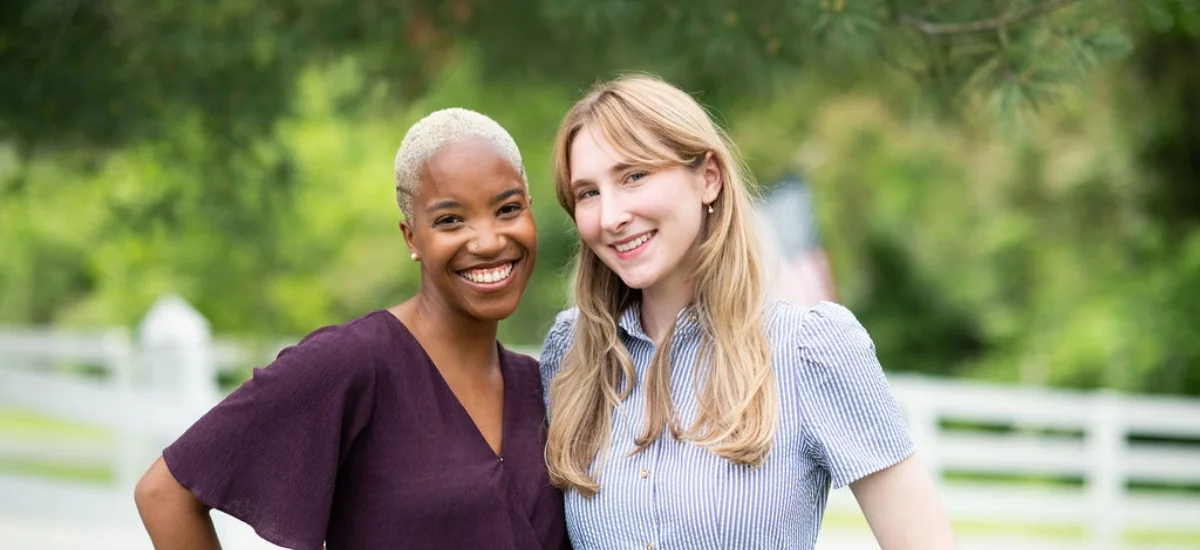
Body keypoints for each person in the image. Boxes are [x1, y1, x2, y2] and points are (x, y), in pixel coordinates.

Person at [539, 75, 956, 549]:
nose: (611, 216)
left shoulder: (810, 350)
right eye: (588, 193)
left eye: (633, 176)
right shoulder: (570, 355)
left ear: (708, 179)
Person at [133, 108, 569, 550]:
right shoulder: (352, 363)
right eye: (450, 220)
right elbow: (164, 494)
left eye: (507, 209)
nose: (489, 240)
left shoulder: (541, 386)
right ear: (411, 238)